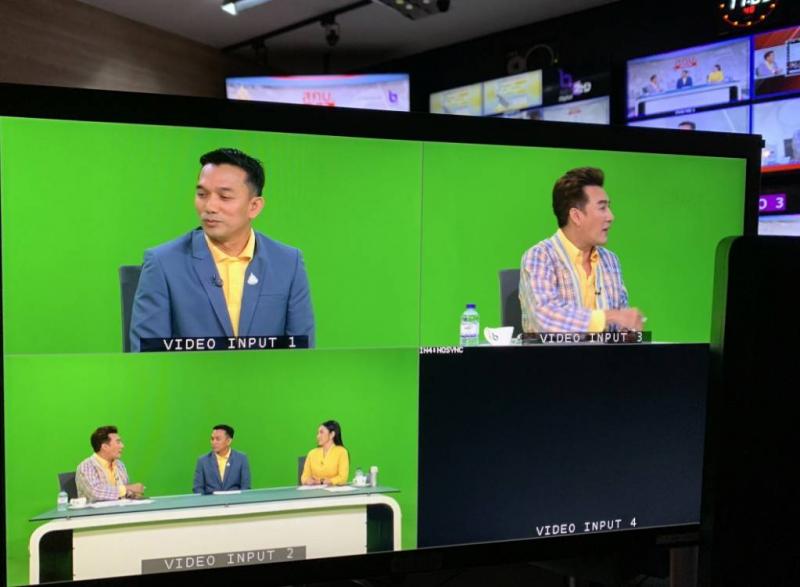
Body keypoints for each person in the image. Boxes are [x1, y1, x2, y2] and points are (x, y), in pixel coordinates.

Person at [129, 148, 315, 352]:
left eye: (224, 197)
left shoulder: (288, 263)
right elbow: (149, 358)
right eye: (202, 194)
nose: (210, 207)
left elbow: (301, 354)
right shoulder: (163, 263)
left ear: (254, 206)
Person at [519, 167, 644, 333]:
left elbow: (621, 324)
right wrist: (609, 317)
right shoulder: (540, 257)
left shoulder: (610, 261)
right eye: (602, 208)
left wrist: (629, 328)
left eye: (609, 207)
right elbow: (545, 318)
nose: (610, 216)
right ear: (576, 216)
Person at [75, 426, 145, 502]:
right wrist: (127, 488)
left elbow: (125, 491)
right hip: (97, 509)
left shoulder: (119, 465)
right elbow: (95, 492)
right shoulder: (86, 467)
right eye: (118, 442)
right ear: (105, 447)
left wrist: (133, 493)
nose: (122, 446)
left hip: (120, 508)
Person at [193, 424, 251, 494]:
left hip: (234, 500)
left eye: (218, 439)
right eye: (212, 439)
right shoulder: (203, 461)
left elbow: (245, 488)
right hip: (211, 501)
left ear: (228, 441)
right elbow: (198, 489)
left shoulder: (241, 459)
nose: (214, 442)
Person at [300, 420, 350, 486]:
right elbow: (304, 477)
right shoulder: (312, 453)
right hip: (314, 491)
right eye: (318, 433)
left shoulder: (342, 452)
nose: (318, 436)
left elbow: (343, 478)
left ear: (332, 434)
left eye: (321, 432)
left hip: (334, 491)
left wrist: (321, 481)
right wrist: (307, 481)